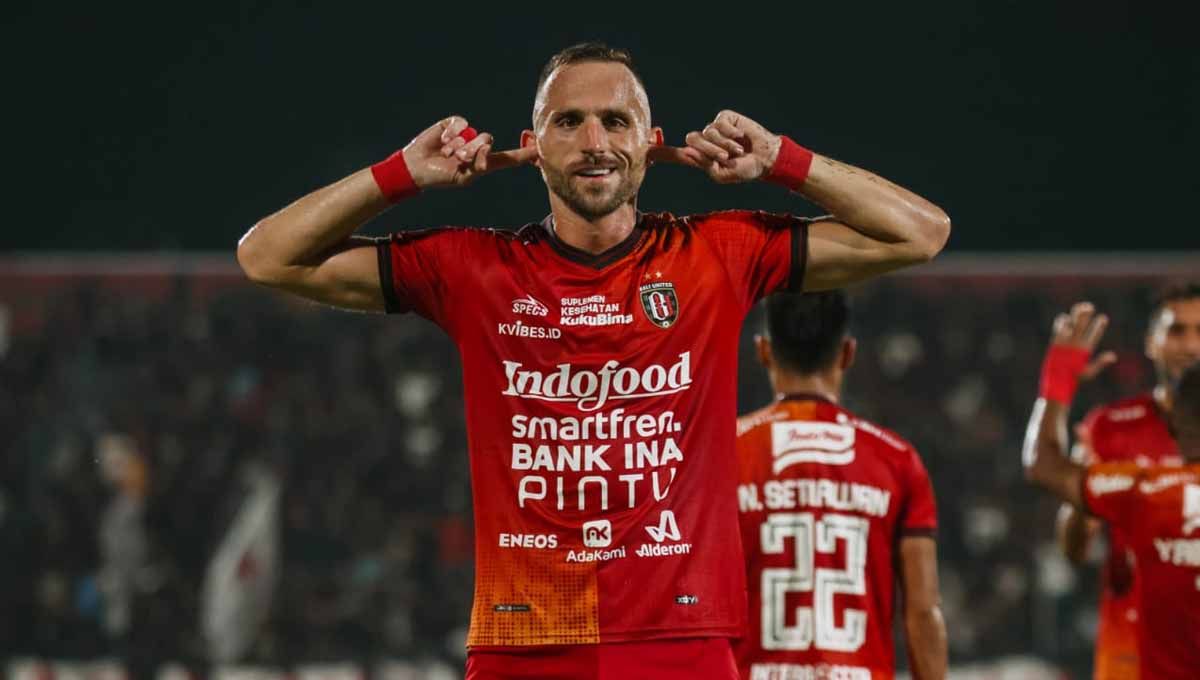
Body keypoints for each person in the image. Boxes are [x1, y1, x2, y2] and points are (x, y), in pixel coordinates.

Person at [237, 42, 950, 679]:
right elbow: (265, 257)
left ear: (651, 142)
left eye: (616, 121)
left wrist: (783, 162)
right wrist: (402, 175)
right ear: (533, 144)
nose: (593, 142)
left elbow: (920, 235)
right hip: (525, 643)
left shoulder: (717, 256)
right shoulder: (473, 269)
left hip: (683, 642)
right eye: (568, 121)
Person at [734, 291, 946, 680]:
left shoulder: (723, 454)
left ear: (763, 351)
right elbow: (922, 611)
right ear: (848, 353)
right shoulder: (896, 459)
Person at [1024, 303, 1200, 679]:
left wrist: (1058, 380)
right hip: (1129, 653)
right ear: (1151, 342)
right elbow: (1075, 548)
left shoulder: (1144, 488)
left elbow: (1043, 465)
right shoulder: (1109, 427)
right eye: (1177, 331)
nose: (1190, 345)